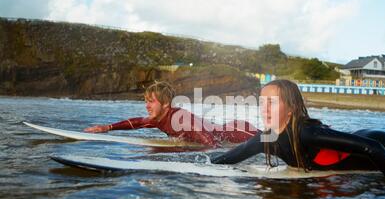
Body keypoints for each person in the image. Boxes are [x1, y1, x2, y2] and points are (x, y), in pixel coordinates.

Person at [212, 71, 385, 179]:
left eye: (272, 102)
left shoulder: (308, 133)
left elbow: (373, 148)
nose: (264, 109)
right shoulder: (265, 140)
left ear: (291, 108)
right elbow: (225, 160)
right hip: (368, 147)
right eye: (262, 102)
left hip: (377, 144)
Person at [84, 81, 259, 147]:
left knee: (269, 140)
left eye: (151, 101)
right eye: (145, 101)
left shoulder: (181, 119)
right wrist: (106, 127)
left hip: (239, 131)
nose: (147, 106)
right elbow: (137, 122)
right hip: (230, 130)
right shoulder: (158, 119)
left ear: (166, 103)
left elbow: (212, 144)